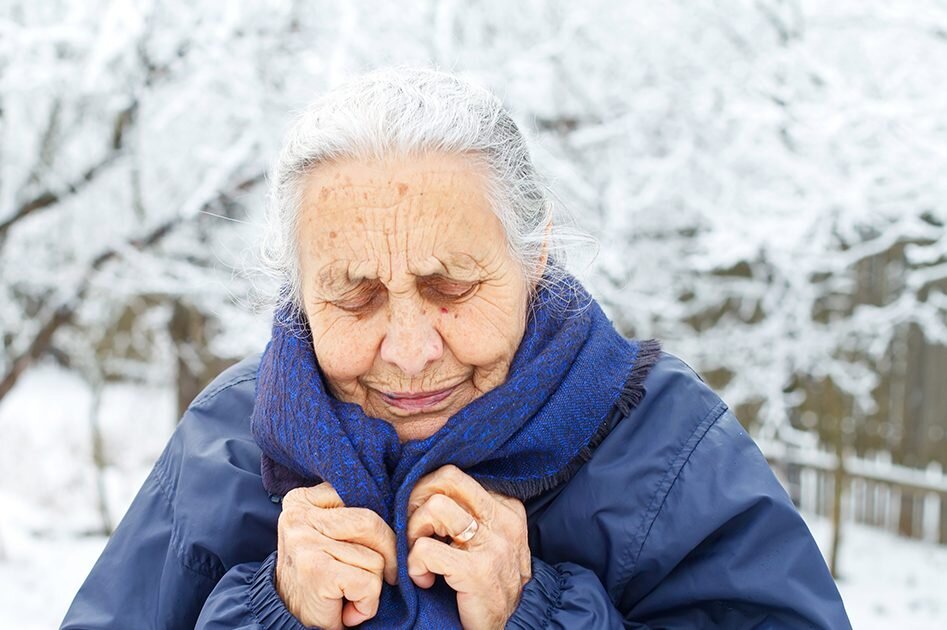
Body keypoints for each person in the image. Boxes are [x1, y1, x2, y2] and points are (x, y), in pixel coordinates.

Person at [62, 68, 851, 629]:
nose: (408, 351)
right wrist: (269, 613)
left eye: (451, 288)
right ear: (297, 293)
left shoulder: (670, 450)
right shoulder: (225, 443)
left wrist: (540, 615)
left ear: (534, 255)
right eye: (354, 295)